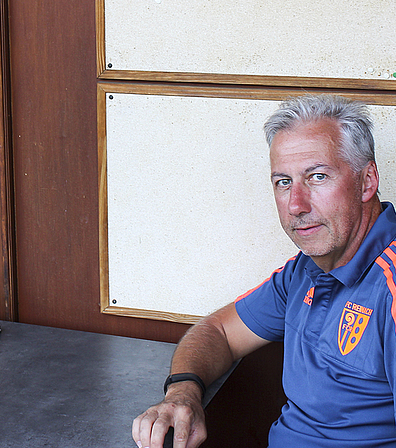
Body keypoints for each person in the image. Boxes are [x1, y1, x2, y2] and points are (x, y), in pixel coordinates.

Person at [133, 94, 396, 447]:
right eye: (283, 182)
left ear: (367, 182)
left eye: (317, 177)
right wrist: (182, 393)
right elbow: (218, 332)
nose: (296, 205)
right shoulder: (306, 270)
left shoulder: (390, 287)